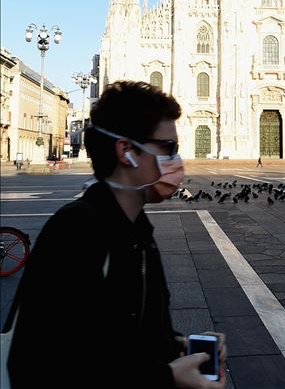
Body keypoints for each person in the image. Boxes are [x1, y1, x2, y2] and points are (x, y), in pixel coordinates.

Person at [7, 81, 227, 389]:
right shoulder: (76, 232)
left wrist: (180, 348)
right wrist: (167, 378)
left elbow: (124, 339)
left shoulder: (138, 231)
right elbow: (36, 367)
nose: (176, 161)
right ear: (126, 151)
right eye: (168, 148)